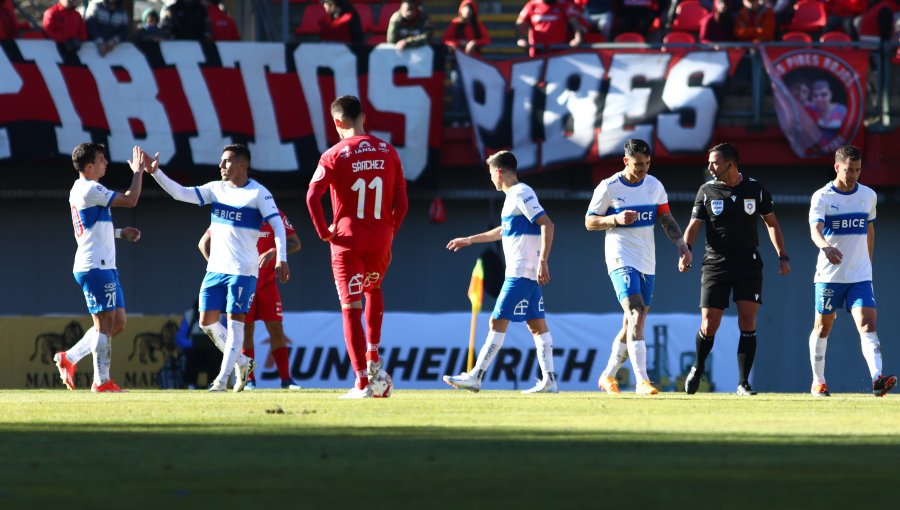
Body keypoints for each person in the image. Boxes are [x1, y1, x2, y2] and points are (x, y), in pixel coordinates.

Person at [146, 144, 291, 392]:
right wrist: (155, 173)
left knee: (236, 324)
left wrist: (281, 258)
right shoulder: (216, 189)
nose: (221, 165)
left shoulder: (258, 193)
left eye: (227, 161)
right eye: (221, 161)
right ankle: (243, 362)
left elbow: (278, 226)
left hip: (243, 270)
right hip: (215, 270)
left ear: (242, 164)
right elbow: (180, 193)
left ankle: (222, 380)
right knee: (206, 322)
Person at [306, 95, 409, 399]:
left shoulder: (333, 154)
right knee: (373, 291)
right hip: (380, 239)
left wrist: (324, 231)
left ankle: (362, 383)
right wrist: (389, 231)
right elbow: (401, 203)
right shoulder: (389, 152)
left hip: (347, 241)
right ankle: (373, 356)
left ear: (337, 122)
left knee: (351, 307)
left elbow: (312, 197)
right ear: (364, 116)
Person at [442, 150, 558, 394]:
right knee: (537, 326)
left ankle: (476, 376)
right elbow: (503, 230)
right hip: (525, 272)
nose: (491, 179)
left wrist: (543, 261)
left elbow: (547, 223)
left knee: (496, 320)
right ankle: (549, 380)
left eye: (491, 174)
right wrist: (470, 239)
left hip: (521, 272)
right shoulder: (512, 197)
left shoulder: (522, 192)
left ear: (499, 171)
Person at [682, 142, 790, 396]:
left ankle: (743, 383)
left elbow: (771, 223)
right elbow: (694, 226)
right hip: (715, 264)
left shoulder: (754, 188)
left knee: (748, 321)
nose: (710, 166)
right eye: (709, 162)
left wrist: (782, 256)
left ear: (730, 163)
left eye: (715, 162)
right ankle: (698, 367)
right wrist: (686, 249)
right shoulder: (706, 191)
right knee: (709, 325)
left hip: (748, 265)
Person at [586, 139, 692, 395]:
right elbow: (589, 222)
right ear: (626, 161)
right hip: (620, 257)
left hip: (647, 260)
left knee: (631, 323)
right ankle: (642, 381)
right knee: (636, 313)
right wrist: (614, 218)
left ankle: (607, 376)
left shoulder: (654, 186)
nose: (643, 168)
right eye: (638, 164)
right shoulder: (608, 187)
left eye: (646, 163)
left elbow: (666, 219)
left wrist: (681, 245)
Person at [54, 143, 145, 393]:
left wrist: (119, 232)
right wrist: (138, 171)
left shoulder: (81, 188)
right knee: (104, 323)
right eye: (102, 159)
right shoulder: (91, 188)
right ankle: (101, 381)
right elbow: (131, 200)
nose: (106, 163)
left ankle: (69, 357)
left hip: (104, 265)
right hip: (94, 265)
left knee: (117, 323)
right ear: (89, 166)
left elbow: (91, 228)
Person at [807, 145, 896, 397]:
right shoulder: (823, 196)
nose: (853, 175)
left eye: (857, 170)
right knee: (823, 327)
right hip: (829, 276)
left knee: (868, 324)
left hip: (859, 276)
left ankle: (877, 379)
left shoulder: (868, 196)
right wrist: (825, 247)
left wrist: (868, 264)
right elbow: (815, 230)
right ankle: (818, 381)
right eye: (848, 170)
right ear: (837, 167)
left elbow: (869, 230)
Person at [199, 208, 303, 390]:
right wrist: (219, 268)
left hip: (268, 284)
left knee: (276, 329)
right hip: (244, 281)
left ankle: (287, 380)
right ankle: (250, 381)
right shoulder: (231, 211)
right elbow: (204, 243)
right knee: (245, 330)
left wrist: (274, 251)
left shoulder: (273, 213)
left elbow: (295, 243)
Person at [516, 0, 583, 57]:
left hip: (558, 50)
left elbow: (574, 21)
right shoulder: (532, 4)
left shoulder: (563, 4)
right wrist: (521, 39)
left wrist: (577, 38)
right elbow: (521, 22)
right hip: (537, 50)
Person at [810, 80, 848, 148]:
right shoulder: (811, 109)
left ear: (830, 94)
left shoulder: (842, 110)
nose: (819, 99)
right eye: (815, 95)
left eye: (823, 95)